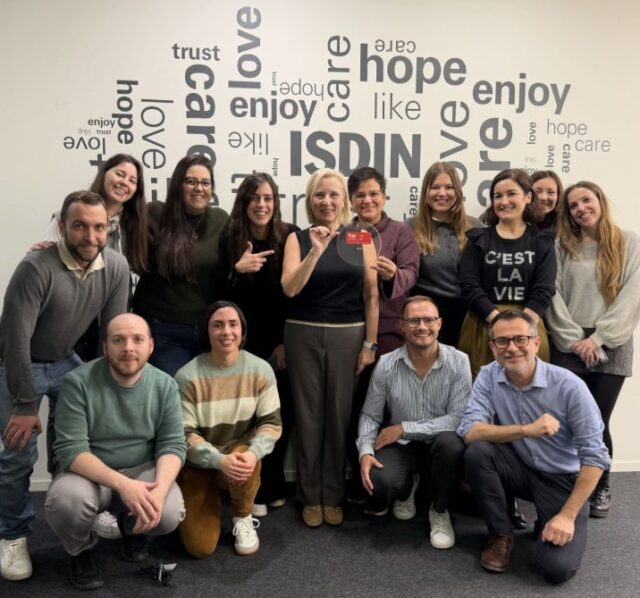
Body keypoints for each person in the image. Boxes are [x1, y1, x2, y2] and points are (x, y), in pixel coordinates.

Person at [0, 191, 129, 581]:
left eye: (98, 227)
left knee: (79, 444)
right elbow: (15, 341)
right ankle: (12, 535)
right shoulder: (35, 268)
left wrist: (112, 390)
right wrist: (25, 405)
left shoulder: (116, 266)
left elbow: (113, 335)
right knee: (17, 453)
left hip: (65, 361)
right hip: (16, 362)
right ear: (61, 227)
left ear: (108, 229)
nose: (90, 236)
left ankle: (76, 512)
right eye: (79, 226)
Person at [458, 311, 610, 584]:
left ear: (536, 342)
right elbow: (470, 431)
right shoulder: (489, 375)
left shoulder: (570, 386)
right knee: (478, 453)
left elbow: (596, 457)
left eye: (520, 339)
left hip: (563, 479)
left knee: (556, 568)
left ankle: (550, 518)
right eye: (502, 341)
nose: (511, 348)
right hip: (521, 467)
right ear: (493, 346)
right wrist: (527, 430)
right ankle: (501, 535)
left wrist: (566, 516)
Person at [44, 314, 186, 591]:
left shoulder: (166, 385)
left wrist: (159, 491)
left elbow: (172, 445)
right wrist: (123, 485)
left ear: (151, 346)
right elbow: (71, 450)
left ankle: (130, 526)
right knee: (65, 503)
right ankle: (81, 550)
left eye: (137, 340)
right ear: (105, 347)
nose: (128, 348)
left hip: (141, 470)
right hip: (88, 475)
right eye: (118, 340)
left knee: (169, 512)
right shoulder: (77, 382)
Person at [281, 168, 379, 528]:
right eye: (319, 195)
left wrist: (370, 343)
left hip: (349, 335)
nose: (326, 201)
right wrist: (316, 252)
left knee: (339, 418)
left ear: (344, 201)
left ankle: (334, 494)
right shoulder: (297, 238)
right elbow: (290, 288)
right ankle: (309, 495)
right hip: (302, 334)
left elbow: (371, 294)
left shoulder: (360, 237)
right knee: (308, 417)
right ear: (310, 200)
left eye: (333, 194)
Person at [545, 181, 640, 517]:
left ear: (600, 200)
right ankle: (569, 484)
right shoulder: (561, 246)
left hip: (612, 343)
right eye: (573, 205)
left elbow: (632, 296)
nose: (581, 208)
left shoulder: (628, 241)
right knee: (568, 420)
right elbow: (552, 294)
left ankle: (601, 487)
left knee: (597, 421)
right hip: (568, 341)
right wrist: (574, 339)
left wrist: (597, 339)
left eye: (586, 200)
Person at [357, 296, 471, 549]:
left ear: (439, 324)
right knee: (378, 479)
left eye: (429, 320)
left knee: (452, 444)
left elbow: (459, 417)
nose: (422, 327)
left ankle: (439, 511)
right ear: (402, 325)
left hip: (438, 444)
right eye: (414, 320)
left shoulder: (459, 361)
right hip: (402, 448)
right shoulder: (387, 364)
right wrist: (365, 452)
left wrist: (405, 428)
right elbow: (370, 415)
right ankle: (407, 488)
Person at [217, 173, 299, 517]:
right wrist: (238, 271)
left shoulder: (289, 235)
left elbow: (293, 295)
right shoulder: (230, 237)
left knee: (280, 415)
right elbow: (219, 297)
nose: (261, 205)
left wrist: (282, 341)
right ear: (244, 202)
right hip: (241, 344)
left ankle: (272, 484)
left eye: (267, 198)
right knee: (246, 418)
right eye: (254, 198)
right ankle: (250, 488)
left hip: (279, 342)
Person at [176, 301, 282, 558]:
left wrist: (253, 454)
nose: (226, 331)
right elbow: (184, 434)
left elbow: (271, 423)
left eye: (233, 324)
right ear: (207, 332)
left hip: (239, 458)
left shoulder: (261, 370)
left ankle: (242, 516)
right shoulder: (186, 376)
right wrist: (218, 461)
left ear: (242, 331)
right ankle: (206, 499)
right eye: (218, 325)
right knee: (200, 548)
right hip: (198, 466)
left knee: (247, 457)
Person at [345, 166, 419, 502]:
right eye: (360, 194)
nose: (367, 200)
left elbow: (411, 273)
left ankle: (384, 483)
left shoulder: (400, 232)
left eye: (373, 193)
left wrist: (393, 276)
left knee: (383, 409)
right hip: (348, 330)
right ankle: (358, 477)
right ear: (351, 200)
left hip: (389, 334)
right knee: (350, 410)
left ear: (385, 196)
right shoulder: (347, 234)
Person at [132, 155, 228, 376]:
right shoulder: (154, 214)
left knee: (205, 393)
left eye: (205, 183)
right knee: (174, 390)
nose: (199, 188)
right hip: (162, 329)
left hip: (207, 331)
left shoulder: (221, 220)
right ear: (178, 184)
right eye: (191, 181)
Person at [458, 168, 556, 378]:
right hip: (483, 326)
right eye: (497, 196)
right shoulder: (478, 239)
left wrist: (520, 330)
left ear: (528, 197)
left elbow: (544, 288)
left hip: (528, 328)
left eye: (511, 194)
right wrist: (498, 323)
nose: (504, 201)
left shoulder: (542, 241)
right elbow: (469, 285)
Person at [407, 161, 482, 346]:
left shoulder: (476, 228)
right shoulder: (408, 228)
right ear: (426, 191)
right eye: (435, 187)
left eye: (449, 187)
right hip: (426, 320)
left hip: (469, 317)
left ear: (457, 191)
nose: (442, 193)